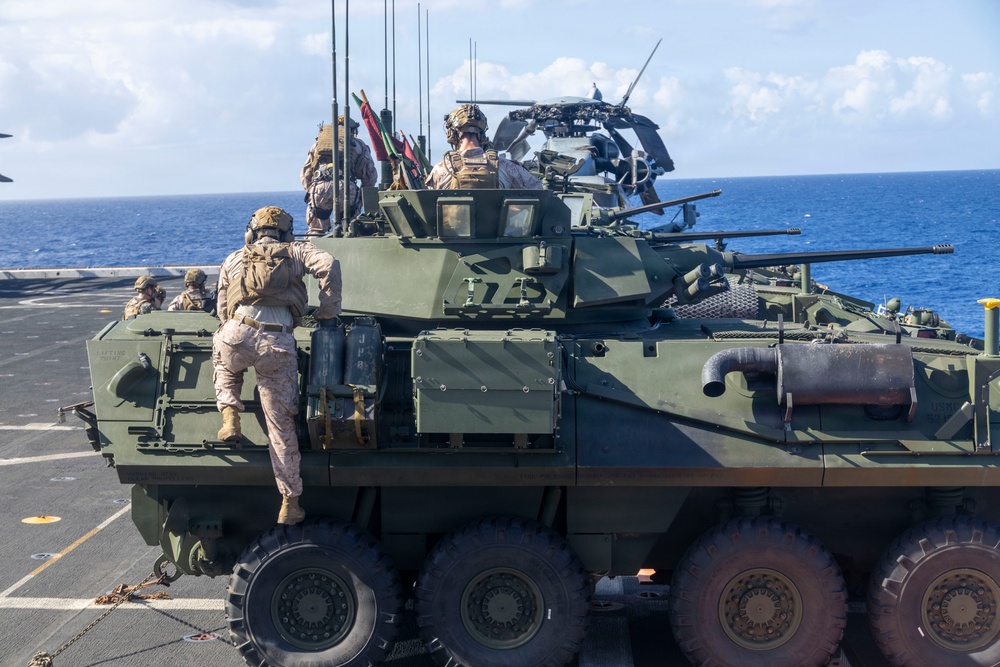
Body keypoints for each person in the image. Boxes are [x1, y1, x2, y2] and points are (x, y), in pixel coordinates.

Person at [212, 206, 341, 525]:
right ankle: (290, 502)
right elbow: (329, 264)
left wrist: (233, 328)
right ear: (286, 232)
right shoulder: (297, 252)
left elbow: (221, 310)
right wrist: (327, 310)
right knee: (281, 427)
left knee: (224, 358)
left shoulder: (234, 258)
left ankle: (229, 416)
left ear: (251, 232)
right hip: (276, 344)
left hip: (237, 333)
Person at [426, 104, 544, 190]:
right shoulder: (506, 167)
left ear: (451, 134)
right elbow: (539, 190)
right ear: (482, 134)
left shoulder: (441, 170)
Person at [300, 117, 378, 236]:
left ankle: (314, 252)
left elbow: (306, 174)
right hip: (347, 187)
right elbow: (370, 176)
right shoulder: (358, 145)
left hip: (320, 187)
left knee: (316, 230)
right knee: (349, 230)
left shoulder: (318, 145)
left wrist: (311, 191)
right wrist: (361, 197)